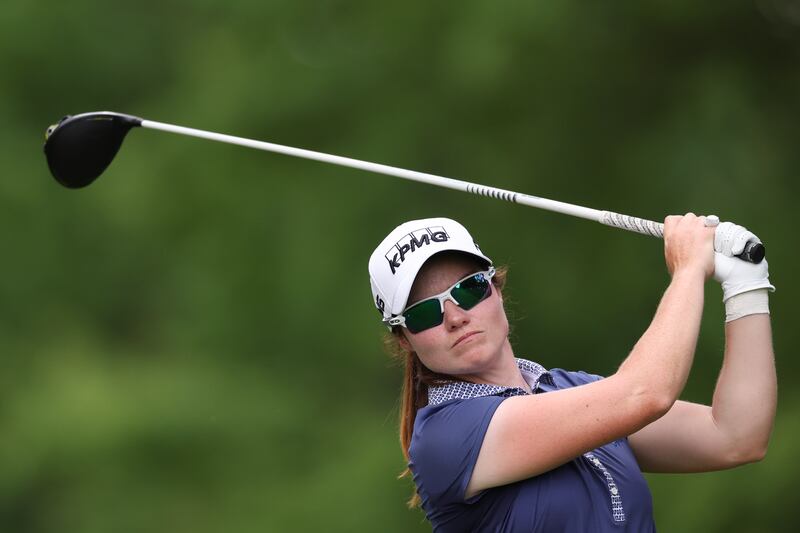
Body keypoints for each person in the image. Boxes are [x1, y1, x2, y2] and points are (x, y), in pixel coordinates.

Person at [367, 215, 776, 532]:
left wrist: (746, 287)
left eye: (469, 289)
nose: (455, 316)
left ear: (496, 288)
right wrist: (688, 270)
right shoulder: (444, 436)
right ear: (405, 340)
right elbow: (645, 394)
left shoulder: (569, 389)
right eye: (424, 313)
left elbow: (736, 437)